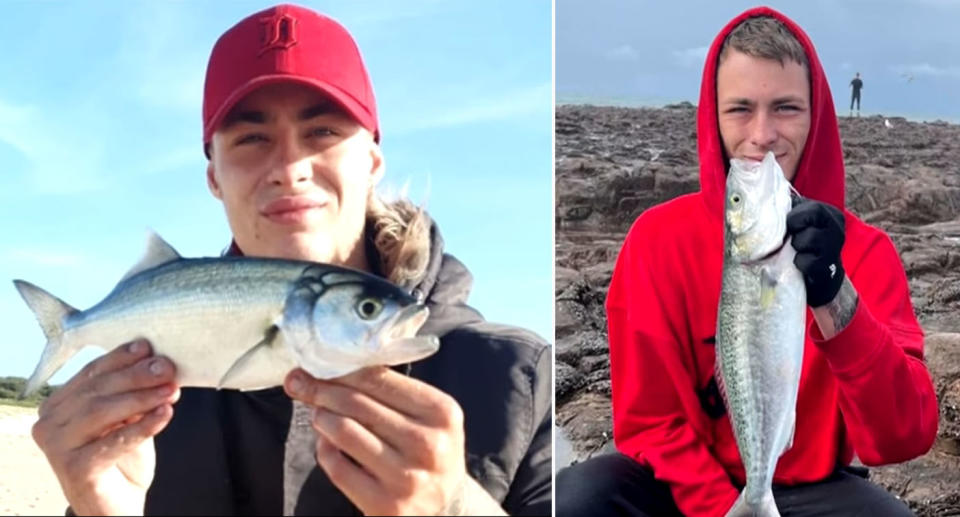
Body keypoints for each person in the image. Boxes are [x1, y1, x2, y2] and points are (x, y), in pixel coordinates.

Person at [29, 4, 552, 516]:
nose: (289, 167)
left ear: (371, 159)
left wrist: (454, 509)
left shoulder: (518, 381)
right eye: (252, 138)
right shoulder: (145, 398)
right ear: (214, 176)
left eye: (322, 131)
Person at [556, 7, 937, 517]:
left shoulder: (865, 251)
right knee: (578, 497)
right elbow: (650, 422)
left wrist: (833, 291)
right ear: (712, 115)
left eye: (785, 107)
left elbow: (903, 435)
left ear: (816, 114)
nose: (763, 134)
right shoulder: (656, 242)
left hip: (810, 489)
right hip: (679, 486)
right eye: (740, 108)